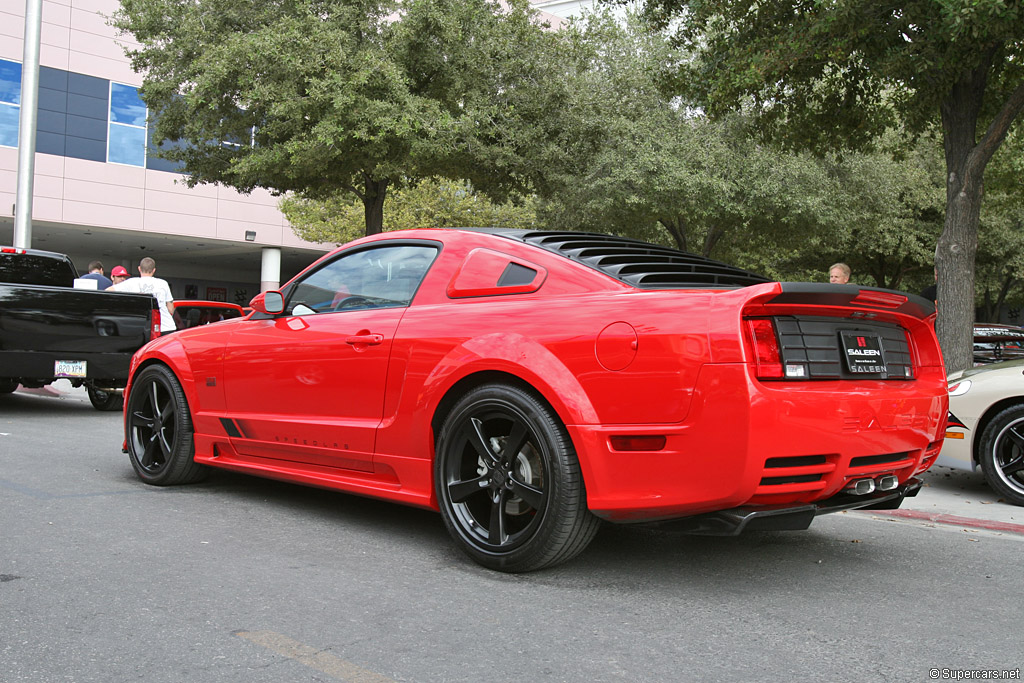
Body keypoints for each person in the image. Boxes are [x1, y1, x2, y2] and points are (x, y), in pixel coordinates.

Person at [108, 257, 176, 332]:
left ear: (139, 269)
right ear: (154, 270)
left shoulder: (132, 282)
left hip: (141, 327)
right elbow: (170, 309)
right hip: (165, 327)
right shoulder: (163, 283)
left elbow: (108, 291)